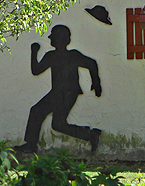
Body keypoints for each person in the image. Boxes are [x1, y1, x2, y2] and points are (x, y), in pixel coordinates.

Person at [14, 24, 102, 153]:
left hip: (69, 93)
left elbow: (91, 64)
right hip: (56, 93)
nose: (50, 39)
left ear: (61, 39)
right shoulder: (51, 56)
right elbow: (36, 70)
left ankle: (91, 135)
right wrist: (34, 53)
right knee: (37, 111)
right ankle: (31, 144)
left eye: (53, 37)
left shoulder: (73, 55)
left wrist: (96, 83)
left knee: (58, 124)